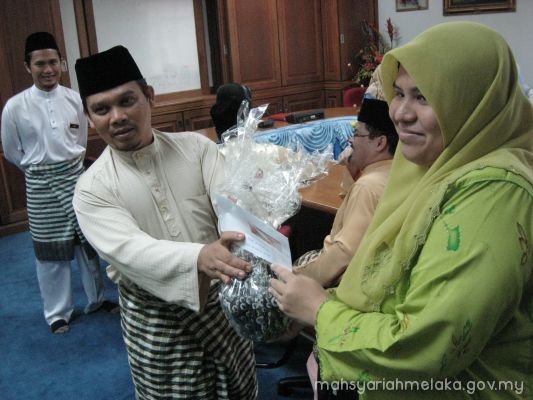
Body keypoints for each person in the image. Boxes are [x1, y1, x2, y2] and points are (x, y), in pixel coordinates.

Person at [270, 21, 533, 399]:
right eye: (399, 94)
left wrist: (320, 311)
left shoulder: (495, 190)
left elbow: (431, 343)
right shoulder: (433, 165)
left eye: (424, 97)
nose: (401, 114)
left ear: (473, 101)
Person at [72, 45, 257, 399]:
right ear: (89, 117)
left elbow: (231, 203)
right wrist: (199, 257)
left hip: (221, 303)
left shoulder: (197, 149)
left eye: (127, 101)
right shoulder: (91, 189)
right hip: (156, 324)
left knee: (240, 391)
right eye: (102, 109)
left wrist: (247, 206)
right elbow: (132, 250)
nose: (117, 117)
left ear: (150, 96)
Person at [0, 32, 117, 334]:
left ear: (61, 63)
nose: (48, 69)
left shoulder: (74, 99)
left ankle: (97, 300)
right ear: (28, 67)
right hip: (40, 185)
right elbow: (12, 151)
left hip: (76, 179)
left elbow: (79, 141)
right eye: (40, 64)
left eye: (53, 62)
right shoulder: (14, 106)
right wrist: (40, 170)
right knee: (49, 252)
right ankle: (57, 313)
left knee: (87, 245)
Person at [293, 98, 397, 288]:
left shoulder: (367, 186)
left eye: (356, 134)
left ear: (380, 143)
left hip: (343, 280)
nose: (350, 140)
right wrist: (352, 169)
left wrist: (295, 277)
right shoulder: (396, 172)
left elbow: (344, 253)